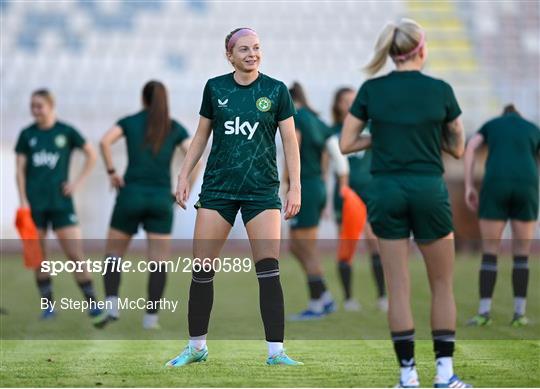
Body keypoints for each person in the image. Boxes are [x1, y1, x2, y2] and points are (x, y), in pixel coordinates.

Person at [340, 19, 470, 388]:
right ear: (422, 49)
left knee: (397, 287)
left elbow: (347, 143)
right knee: (442, 285)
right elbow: (458, 147)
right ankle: (444, 375)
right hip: (428, 189)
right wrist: (425, 137)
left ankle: (407, 376)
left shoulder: (371, 89)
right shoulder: (441, 89)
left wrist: (381, 136)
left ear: (392, 53)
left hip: (386, 191)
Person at [165, 27, 302, 366]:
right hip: (218, 189)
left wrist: (295, 185)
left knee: (269, 269)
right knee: (202, 268)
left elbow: (290, 142)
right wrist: (183, 174)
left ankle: (276, 352)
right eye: (244, 49)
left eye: (256, 47)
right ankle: (196, 348)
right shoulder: (215, 88)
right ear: (229, 55)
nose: (252, 53)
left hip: (261, 190)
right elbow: (200, 137)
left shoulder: (276, 90)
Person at [94, 80, 193, 330]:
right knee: (158, 261)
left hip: (131, 195)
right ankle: (151, 319)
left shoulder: (130, 121)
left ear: (143, 97)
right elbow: (195, 156)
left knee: (114, 254)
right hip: (161, 198)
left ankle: (112, 306)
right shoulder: (175, 127)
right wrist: (183, 183)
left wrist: (111, 171)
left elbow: (105, 141)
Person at [15, 89, 99, 319]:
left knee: (75, 253)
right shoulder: (27, 135)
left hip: (61, 203)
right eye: (32, 106)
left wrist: (76, 183)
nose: (35, 110)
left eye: (39, 106)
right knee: (39, 257)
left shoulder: (66, 131)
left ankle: (92, 303)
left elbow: (91, 154)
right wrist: (23, 201)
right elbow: (20, 171)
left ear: (51, 106)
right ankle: (48, 306)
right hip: (35, 205)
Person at [464, 104, 539, 327]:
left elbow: (470, 148)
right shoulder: (533, 128)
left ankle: (484, 313)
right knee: (522, 254)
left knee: (490, 251)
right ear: (519, 115)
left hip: (495, 184)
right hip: (527, 186)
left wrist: (469, 185)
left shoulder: (491, 125)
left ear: (503, 115)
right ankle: (519, 315)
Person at [287, 82, 349, 320]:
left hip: (304, 187)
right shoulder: (321, 123)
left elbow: (294, 148)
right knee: (296, 246)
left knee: (306, 248)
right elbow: (338, 160)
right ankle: (324, 298)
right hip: (316, 187)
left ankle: (318, 303)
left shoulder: (296, 119)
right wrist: (327, 182)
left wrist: (288, 182)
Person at [331, 87, 387, 312]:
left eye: (353, 101)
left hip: (371, 195)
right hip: (345, 196)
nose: (349, 105)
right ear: (338, 105)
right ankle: (348, 298)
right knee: (347, 247)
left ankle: (382, 296)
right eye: (345, 101)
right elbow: (328, 166)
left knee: (375, 243)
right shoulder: (333, 132)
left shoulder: (372, 129)